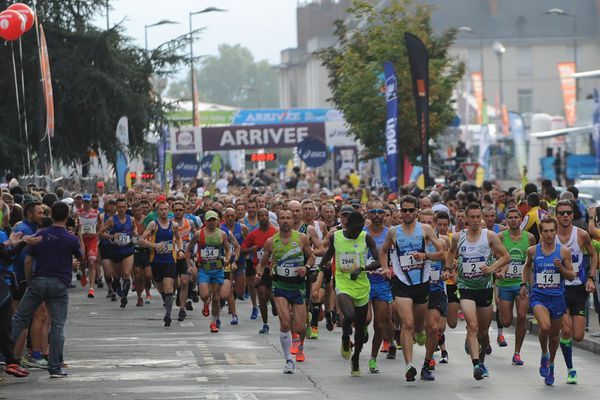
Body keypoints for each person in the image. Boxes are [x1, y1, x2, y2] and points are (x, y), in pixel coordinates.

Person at [11, 202, 82, 378]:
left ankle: (5, 353)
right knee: (57, 325)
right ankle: (55, 367)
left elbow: (28, 260)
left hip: (39, 281)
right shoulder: (70, 238)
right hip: (59, 284)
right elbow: (81, 258)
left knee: (20, 318)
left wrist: (30, 280)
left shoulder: (40, 235)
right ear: (66, 216)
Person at [379, 195, 444, 381]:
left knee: (418, 325)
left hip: (422, 283)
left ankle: (420, 332)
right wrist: (385, 268)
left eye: (410, 210)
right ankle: (409, 365)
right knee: (407, 323)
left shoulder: (425, 229)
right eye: (404, 210)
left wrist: (425, 256)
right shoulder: (393, 232)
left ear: (417, 211)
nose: (407, 213)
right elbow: (383, 252)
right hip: (401, 283)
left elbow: (440, 253)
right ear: (400, 211)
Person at [446, 202, 510, 381]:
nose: (475, 220)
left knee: (482, 332)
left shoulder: (489, 236)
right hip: (466, 288)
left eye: (477, 217)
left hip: (485, 289)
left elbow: (506, 256)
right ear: (465, 218)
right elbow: (451, 253)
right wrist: (449, 268)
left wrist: (492, 268)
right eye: (471, 217)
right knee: (472, 325)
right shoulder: (458, 237)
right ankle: (475, 364)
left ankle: (481, 362)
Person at [318, 212, 381, 376]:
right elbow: (329, 253)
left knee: (360, 327)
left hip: (361, 285)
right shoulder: (336, 237)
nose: (357, 233)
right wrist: (318, 269)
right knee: (350, 314)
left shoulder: (366, 237)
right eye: (354, 229)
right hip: (343, 282)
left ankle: (356, 359)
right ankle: (346, 337)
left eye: (360, 229)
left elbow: (379, 260)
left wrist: (363, 268)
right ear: (347, 226)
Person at [520, 216, 575, 385]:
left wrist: (561, 268)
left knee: (554, 336)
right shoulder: (533, 251)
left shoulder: (564, 251)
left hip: (557, 298)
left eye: (552, 230)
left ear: (556, 231)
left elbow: (571, 276)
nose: (549, 234)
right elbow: (527, 266)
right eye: (546, 231)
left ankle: (551, 363)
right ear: (540, 232)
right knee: (544, 326)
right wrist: (524, 284)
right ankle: (544, 354)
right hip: (539, 296)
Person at [258, 208, 314, 373]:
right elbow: (263, 262)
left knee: (299, 328)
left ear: (292, 220)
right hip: (280, 286)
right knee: (284, 322)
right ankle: (288, 360)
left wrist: (306, 267)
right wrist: (259, 273)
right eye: (282, 218)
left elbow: (311, 256)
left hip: (298, 286)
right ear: (278, 220)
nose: (285, 221)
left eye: (288, 218)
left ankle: (301, 339)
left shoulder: (302, 238)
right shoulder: (271, 241)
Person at [554, 199, 598, 384]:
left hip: (578, 289)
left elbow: (594, 254)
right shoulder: (550, 235)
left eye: (568, 213)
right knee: (566, 330)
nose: (565, 216)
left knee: (578, 336)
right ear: (556, 215)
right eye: (561, 213)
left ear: (573, 215)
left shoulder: (581, 235)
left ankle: (557, 345)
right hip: (558, 289)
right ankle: (571, 369)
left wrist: (591, 277)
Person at [497, 208, 536, 366]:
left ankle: (517, 353)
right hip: (505, 284)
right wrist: (499, 270)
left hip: (521, 285)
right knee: (506, 321)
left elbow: (533, 261)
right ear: (506, 220)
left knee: (521, 316)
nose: (513, 220)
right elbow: (495, 257)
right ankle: (500, 331)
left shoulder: (530, 238)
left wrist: (532, 284)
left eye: (516, 217)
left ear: (521, 220)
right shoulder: (500, 237)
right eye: (510, 217)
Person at [140, 200, 183, 327]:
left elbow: (178, 237)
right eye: (161, 209)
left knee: (169, 287)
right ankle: (167, 300)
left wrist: (180, 249)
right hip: (156, 260)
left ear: (168, 210)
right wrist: (155, 245)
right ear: (157, 211)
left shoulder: (173, 225)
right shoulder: (153, 224)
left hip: (170, 259)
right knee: (161, 287)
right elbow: (141, 240)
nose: (164, 211)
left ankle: (168, 315)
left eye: (166, 209)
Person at [99, 198, 136, 308]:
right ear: (116, 207)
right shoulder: (111, 220)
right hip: (115, 250)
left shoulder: (131, 219)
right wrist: (111, 236)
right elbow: (100, 233)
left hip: (128, 250)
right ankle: (116, 289)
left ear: (126, 207)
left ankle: (124, 296)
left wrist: (135, 235)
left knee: (126, 273)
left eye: (124, 207)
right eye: (119, 207)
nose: (122, 209)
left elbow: (133, 231)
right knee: (116, 276)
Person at [78, 194, 101, 299]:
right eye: (85, 202)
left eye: (88, 202)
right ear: (83, 202)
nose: (86, 204)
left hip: (92, 240)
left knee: (92, 261)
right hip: (81, 240)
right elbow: (75, 227)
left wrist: (97, 234)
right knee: (82, 261)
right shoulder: (78, 213)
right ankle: (83, 273)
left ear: (90, 202)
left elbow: (100, 225)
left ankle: (91, 288)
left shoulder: (96, 213)